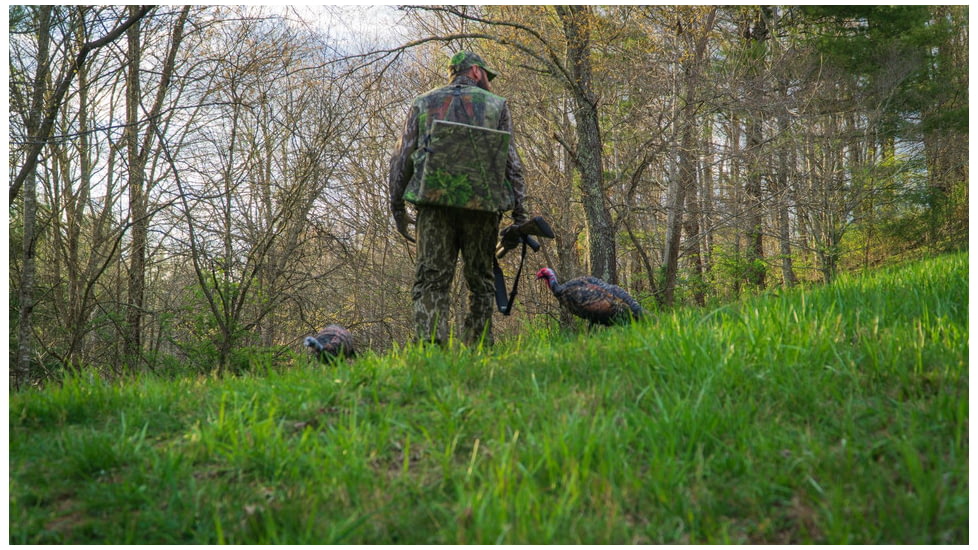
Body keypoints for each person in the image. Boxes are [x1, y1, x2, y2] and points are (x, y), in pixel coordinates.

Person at [389, 51, 528, 347]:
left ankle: (429, 351)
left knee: (431, 281)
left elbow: (402, 157)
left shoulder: (423, 102)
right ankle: (478, 350)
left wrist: (397, 206)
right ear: (475, 71)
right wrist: (520, 214)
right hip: (482, 208)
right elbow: (512, 163)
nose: (489, 82)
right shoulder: (496, 105)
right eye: (487, 76)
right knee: (481, 282)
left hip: (434, 206)